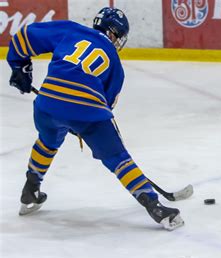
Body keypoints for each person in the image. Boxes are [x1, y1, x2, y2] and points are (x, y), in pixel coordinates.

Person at [6, 7, 183, 230]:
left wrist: (19, 66)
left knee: (48, 140)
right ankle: (156, 207)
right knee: (117, 157)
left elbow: (25, 36)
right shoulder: (116, 66)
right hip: (86, 111)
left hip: (47, 103)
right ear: (113, 34)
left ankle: (30, 189)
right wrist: (81, 124)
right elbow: (105, 106)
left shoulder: (71, 30)